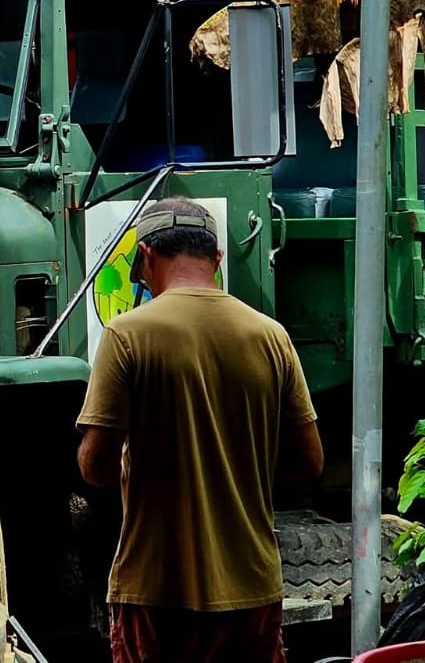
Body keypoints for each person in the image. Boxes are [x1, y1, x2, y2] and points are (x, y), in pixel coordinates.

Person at [75, 198, 325, 663]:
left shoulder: (126, 335)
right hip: (252, 588)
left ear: (147, 256)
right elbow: (309, 463)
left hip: (154, 590)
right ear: (217, 259)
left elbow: (95, 467)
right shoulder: (270, 336)